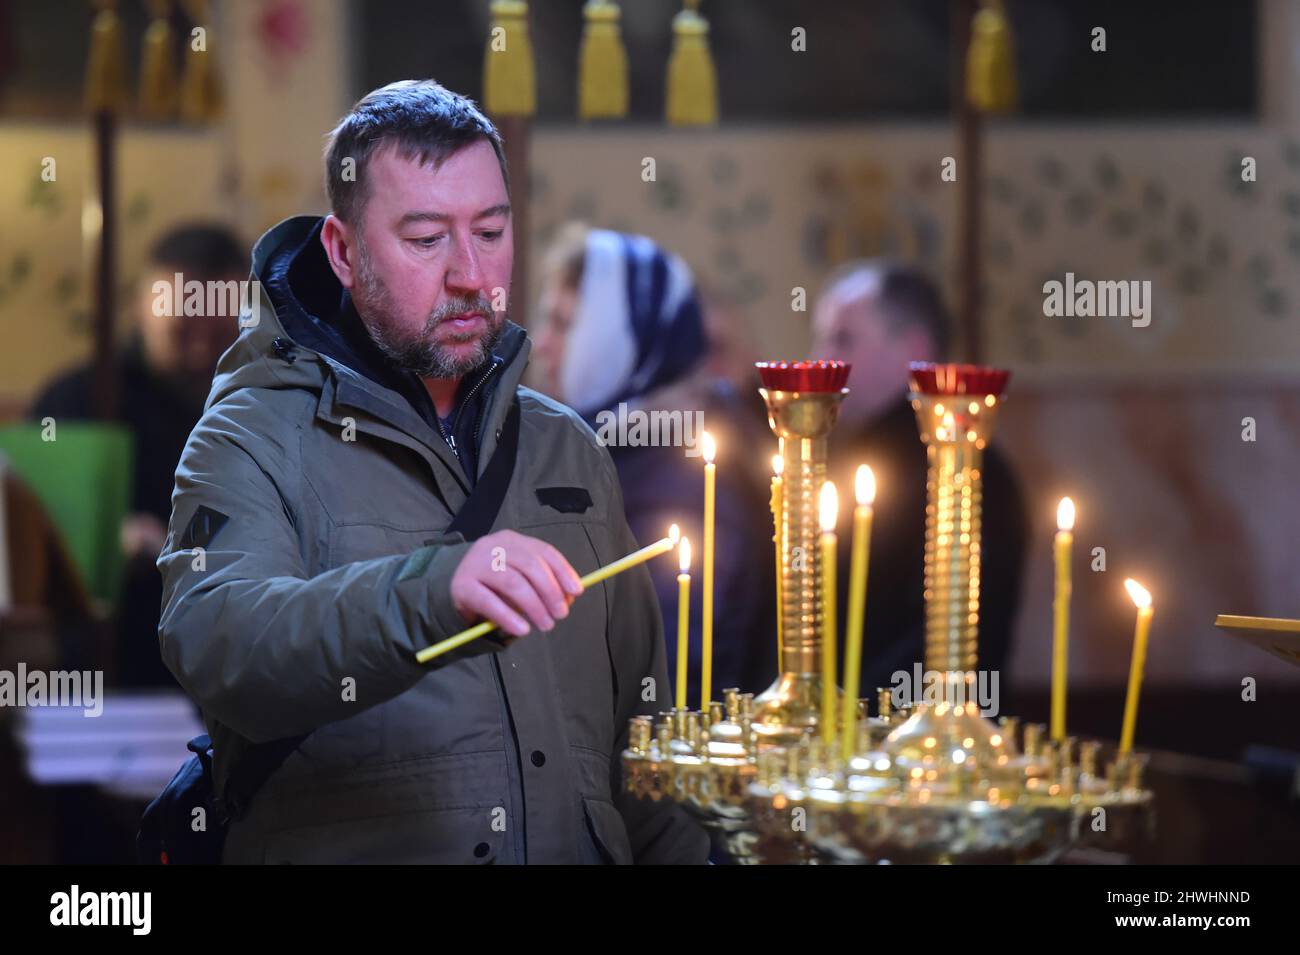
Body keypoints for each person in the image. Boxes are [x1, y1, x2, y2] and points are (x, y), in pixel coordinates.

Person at [156, 80, 708, 864]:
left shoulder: (566, 447)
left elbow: (648, 748)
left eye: (490, 230)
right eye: (425, 239)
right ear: (343, 253)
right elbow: (223, 644)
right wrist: (431, 590)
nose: (470, 275)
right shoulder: (251, 433)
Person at [534, 224, 777, 708]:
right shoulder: (623, 444)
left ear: (616, 338)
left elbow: (671, 676)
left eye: (564, 324)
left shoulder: (680, 476)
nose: (540, 343)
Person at [29, 224, 244, 687]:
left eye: (221, 326)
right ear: (141, 308)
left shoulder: (267, 406)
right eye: (183, 327)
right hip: (111, 657)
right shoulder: (79, 401)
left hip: (231, 653)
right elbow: (33, 544)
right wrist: (109, 539)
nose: (204, 344)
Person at [810, 260, 1027, 697]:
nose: (820, 360)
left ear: (913, 346)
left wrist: (852, 718)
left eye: (843, 339)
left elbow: (944, 637)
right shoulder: (860, 449)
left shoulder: (962, 464)